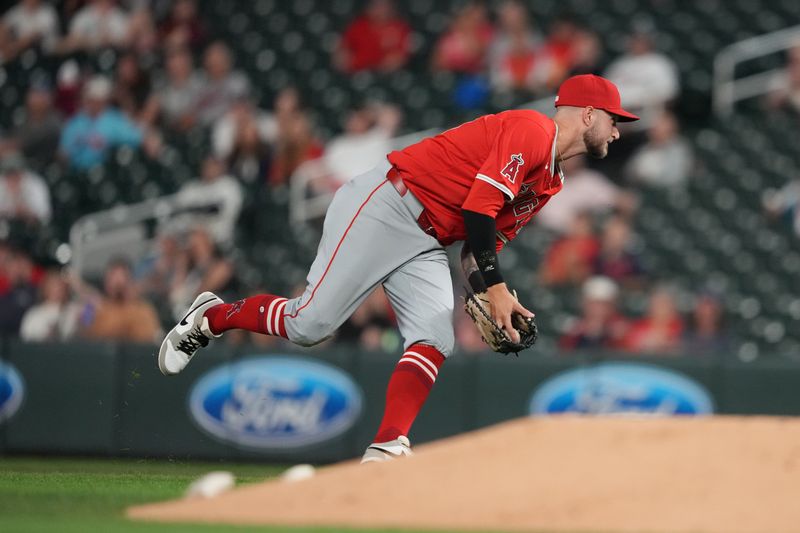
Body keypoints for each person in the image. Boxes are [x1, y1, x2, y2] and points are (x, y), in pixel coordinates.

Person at [158, 74, 639, 462]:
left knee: (436, 337)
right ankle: (210, 316)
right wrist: (494, 288)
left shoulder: (550, 182)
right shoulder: (533, 131)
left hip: (430, 239)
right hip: (388, 204)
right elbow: (477, 212)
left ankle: (387, 445)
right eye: (615, 120)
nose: (618, 131)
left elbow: (476, 247)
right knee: (309, 325)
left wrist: (498, 292)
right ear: (589, 114)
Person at [59, 76, 143, 170]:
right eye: (91, 99)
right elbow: (63, 152)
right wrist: (77, 145)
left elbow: (135, 138)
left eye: (97, 99)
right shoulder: (76, 122)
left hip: (107, 171)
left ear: (104, 101)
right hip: (78, 172)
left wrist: (110, 143)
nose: (93, 103)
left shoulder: (114, 119)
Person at [334, 0, 411, 73]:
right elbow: (343, 49)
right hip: (357, 72)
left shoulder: (399, 28)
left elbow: (400, 56)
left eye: (383, 6)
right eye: (376, 5)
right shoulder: (358, 26)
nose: (380, 9)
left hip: (385, 75)